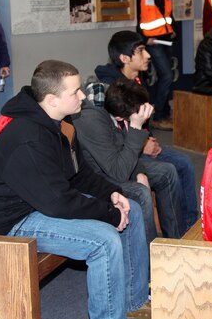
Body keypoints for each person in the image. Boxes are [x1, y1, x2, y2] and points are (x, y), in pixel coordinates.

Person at [0, 60, 151, 319]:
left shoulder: (59, 123)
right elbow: (57, 202)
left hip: (45, 203)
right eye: (76, 92)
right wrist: (110, 214)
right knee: (103, 239)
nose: (84, 96)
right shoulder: (27, 137)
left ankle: (134, 301)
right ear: (52, 99)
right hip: (18, 218)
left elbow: (80, 174)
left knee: (133, 209)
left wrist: (113, 194)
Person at [92, 31, 199, 232]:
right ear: (124, 59)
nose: (148, 55)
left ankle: (189, 227)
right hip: (126, 151)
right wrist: (142, 144)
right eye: (140, 51)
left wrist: (147, 139)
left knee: (184, 163)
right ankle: (177, 234)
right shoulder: (110, 90)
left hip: (140, 142)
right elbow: (114, 133)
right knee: (169, 170)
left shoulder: (137, 81)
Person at [72, 78, 183, 242]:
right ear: (119, 118)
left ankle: (174, 243)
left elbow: (123, 147)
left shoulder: (114, 97)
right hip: (98, 174)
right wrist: (136, 127)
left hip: (117, 161)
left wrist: (140, 172)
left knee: (167, 172)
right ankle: (150, 257)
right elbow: (119, 173)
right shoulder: (91, 120)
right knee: (141, 193)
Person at [134, 0, 176, 131]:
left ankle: (164, 112)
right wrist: (144, 39)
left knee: (166, 76)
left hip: (165, 38)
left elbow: (165, 11)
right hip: (151, 41)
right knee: (166, 75)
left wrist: (171, 27)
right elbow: (136, 15)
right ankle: (157, 115)